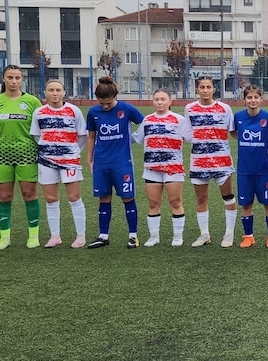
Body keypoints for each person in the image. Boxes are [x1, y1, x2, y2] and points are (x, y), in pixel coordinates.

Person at [0, 65, 43, 249]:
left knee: (29, 194)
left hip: (28, 154)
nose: (14, 81)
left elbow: (41, 128)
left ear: (22, 79)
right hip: (2, 155)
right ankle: (4, 237)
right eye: (10, 77)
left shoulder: (32, 102)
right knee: (4, 196)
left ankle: (33, 236)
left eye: (17, 77)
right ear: (3, 79)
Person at [84, 76, 144, 248]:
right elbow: (91, 136)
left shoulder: (126, 109)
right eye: (101, 103)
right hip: (101, 163)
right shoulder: (94, 113)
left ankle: (133, 236)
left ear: (115, 96)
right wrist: (89, 159)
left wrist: (133, 139)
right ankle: (103, 236)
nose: (105, 106)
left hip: (122, 163)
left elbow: (145, 122)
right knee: (104, 198)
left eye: (108, 103)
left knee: (127, 197)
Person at [30, 78, 88, 248]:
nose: (54, 93)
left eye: (58, 90)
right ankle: (55, 236)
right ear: (45, 93)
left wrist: (73, 151)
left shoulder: (74, 110)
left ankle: (80, 235)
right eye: (51, 90)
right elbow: (36, 135)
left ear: (63, 92)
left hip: (70, 161)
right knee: (50, 198)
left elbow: (82, 135)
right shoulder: (39, 112)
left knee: (74, 197)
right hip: (46, 161)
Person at [184, 76, 238, 248]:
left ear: (214, 89)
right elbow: (187, 133)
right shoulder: (190, 109)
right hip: (199, 161)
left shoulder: (225, 108)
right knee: (201, 199)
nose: (205, 90)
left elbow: (233, 131)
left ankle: (229, 234)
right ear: (197, 89)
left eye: (208, 87)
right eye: (202, 87)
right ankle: (204, 234)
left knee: (228, 197)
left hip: (222, 161)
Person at [136, 88, 193, 247]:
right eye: (157, 99)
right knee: (153, 203)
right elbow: (137, 138)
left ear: (170, 101)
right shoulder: (147, 120)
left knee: (175, 201)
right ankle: (154, 236)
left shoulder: (179, 119)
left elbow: (190, 137)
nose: (160, 102)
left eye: (163, 99)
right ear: (153, 101)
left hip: (173, 168)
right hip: (151, 168)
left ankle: (177, 236)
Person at [232, 85, 268, 248]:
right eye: (249, 97)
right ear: (244, 100)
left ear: (261, 99)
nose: (252, 100)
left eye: (255, 97)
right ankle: (248, 237)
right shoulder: (238, 116)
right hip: (244, 170)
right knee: (246, 204)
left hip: (263, 169)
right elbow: (233, 132)